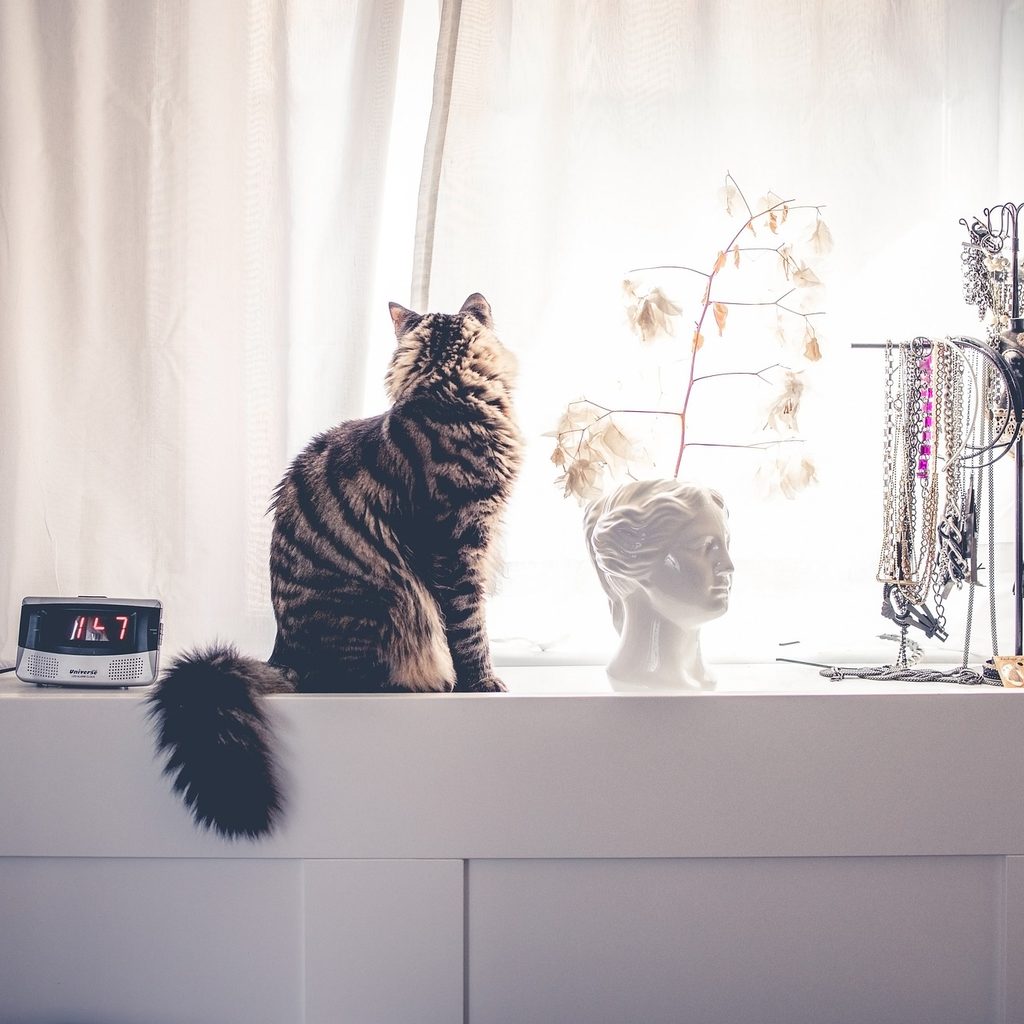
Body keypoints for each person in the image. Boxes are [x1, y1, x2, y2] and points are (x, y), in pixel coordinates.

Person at [583, 479, 734, 690]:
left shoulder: (704, 680)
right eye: (703, 546)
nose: (728, 566)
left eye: (726, 545)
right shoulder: (637, 684)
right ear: (632, 557)